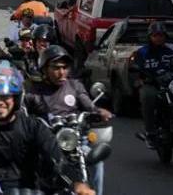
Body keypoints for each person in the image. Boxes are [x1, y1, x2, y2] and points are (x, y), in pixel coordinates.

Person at [0, 60, 95, 195]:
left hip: (31, 190)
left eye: (5, 97)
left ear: (16, 98)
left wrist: (77, 183)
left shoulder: (34, 127)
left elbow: (57, 157)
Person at [24, 46, 113, 195]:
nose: (62, 72)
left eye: (65, 68)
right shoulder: (34, 92)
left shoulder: (74, 86)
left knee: (96, 161)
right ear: (44, 69)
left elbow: (89, 105)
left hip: (74, 140)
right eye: (56, 68)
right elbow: (22, 113)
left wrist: (99, 112)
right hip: (47, 142)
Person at [131, 21, 173, 148]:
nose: (158, 38)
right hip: (151, 83)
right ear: (150, 37)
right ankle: (151, 133)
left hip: (172, 83)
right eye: (155, 35)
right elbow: (134, 69)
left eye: (161, 35)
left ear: (165, 36)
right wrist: (140, 80)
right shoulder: (142, 52)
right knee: (148, 96)